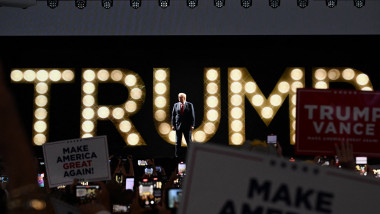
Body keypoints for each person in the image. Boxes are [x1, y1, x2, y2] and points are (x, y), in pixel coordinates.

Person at [171, 93, 195, 162]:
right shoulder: (176, 105)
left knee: (189, 141)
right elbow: (173, 115)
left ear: (184, 98)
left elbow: (192, 115)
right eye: (178, 97)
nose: (179, 99)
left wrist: (192, 125)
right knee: (177, 142)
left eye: (180, 97)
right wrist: (173, 125)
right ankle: (177, 155)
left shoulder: (189, 105)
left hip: (187, 126)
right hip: (178, 126)